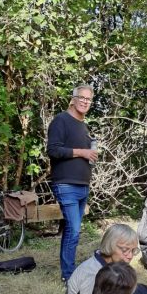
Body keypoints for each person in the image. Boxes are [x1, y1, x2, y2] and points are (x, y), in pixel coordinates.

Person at [46, 85, 99, 281]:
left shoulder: (82, 125)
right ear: (73, 99)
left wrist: (90, 155)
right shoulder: (61, 121)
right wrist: (82, 152)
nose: (85, 102)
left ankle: (69, 270)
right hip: (66, 184)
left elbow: (83, 155)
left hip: (82, 185)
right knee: (74, 230)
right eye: (82, 98)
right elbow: (53, 150)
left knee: (72, 230)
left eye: (89, 99)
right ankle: (68, 275)